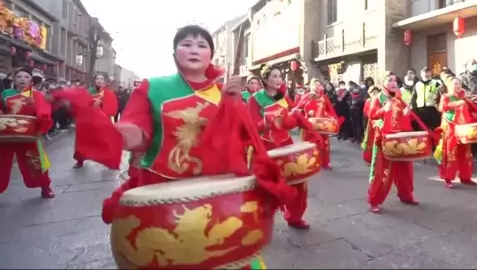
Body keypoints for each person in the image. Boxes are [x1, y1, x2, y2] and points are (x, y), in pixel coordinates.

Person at [52, 25, 294, 269]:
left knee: (231, 258)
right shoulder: (153, 88)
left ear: (211, 54)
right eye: (186, 44)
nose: (194, 50)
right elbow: (137, 134)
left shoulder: (225, 93)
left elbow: (242, 138)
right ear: (174, 53)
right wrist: (101, 124)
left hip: (217, 190)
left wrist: (234, 106)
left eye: (202, 45)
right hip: (164, 189)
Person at [248, 64, 319, 230]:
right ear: (265, 79)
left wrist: (309, 129)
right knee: (268, 187)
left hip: (287, 145)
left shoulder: (283, 97)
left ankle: (295, 217)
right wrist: (267, 121)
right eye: (274, 76)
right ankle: (261, 221)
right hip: (267, 147)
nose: (279, 79)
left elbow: (295, 116)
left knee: (299, 182)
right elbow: (252, 126)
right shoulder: (255, 99)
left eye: (280, 76)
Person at [366, 72, 423, 213]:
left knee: (406, 170)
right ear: (382, 83)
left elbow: (400, 118)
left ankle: (406, 196)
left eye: (394, 80)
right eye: (389, 80)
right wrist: (382, 111)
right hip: (386, 140)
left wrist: (405, 114)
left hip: (401, 138)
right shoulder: (377, 98)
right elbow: (371, 116)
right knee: (383, 172)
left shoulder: (398, 99)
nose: (393, 82)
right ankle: (374, 200)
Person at [0, 67, 54, 199]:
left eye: (26, 77)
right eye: (19, 77)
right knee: (2, 162)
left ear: (31, 80)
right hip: (8, 133)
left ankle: (45, 186)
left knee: (35, 162)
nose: (22, 79)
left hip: (29, 134)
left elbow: (44, 113)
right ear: (14, 80)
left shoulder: (37, 95)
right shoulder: (5, 94)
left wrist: (40, 128)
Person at [435, 76, 477, 189]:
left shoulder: (463, 98)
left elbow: (472, 109)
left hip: (463, 127)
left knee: (466, 153)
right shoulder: (446, 96)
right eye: (455, 84)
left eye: (459, 84)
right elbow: (442, 108)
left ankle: (465, 177)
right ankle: (448, 178)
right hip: (450, 128)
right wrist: (457, 104)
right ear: (449, 86)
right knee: (450, 153)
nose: (458, 86)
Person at [73, 73, 119, 168]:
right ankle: (80, 160)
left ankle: (109, 161)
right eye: (97, 78)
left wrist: (102, 102)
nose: (99, 80)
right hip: (89, 120)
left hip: (102, 121)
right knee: (83, 141)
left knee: (106, 141)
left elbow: (112, 108)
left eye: (101, 79)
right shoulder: (89, 91)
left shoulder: (108, 92)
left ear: (104, 81)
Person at [296, 78, 340, 170]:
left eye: (319, 85)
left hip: (322, 124)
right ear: (311, 86)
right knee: (310, 144)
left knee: (325, 144)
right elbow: (297, 108)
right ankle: (310, 163)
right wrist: (305, 112)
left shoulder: (324, 97)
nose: (318, 86)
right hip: (309, 125)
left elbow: (330, 110)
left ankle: (325, 163)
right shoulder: (306, 96)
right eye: (315, 85)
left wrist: (332, 118)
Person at [411, 67, 442, 132]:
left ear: (431, 73)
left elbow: (442, 95)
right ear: (421, 74)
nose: (426, 74)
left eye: (428, 72)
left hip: (433, 110)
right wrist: (415, 110)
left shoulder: (436, 83)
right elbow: (413, 98)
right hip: (420, 111)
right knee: (421, 130)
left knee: (435, 130)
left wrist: (439, 108)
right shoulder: (417, 84)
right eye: (424, 72)